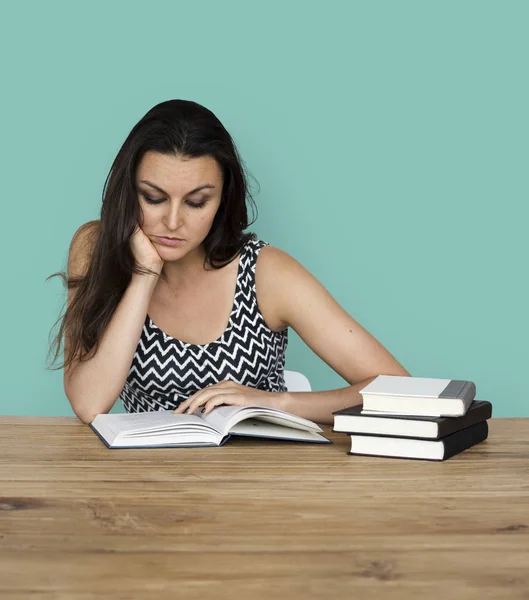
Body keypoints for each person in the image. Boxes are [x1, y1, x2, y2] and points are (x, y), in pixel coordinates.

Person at [47, 99, 410, 426]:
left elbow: (400, 390)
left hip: (256, 481)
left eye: (196, 202)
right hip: (150, 484)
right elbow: (89, 403)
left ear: (222, 199)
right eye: (153, 198)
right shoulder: (95, 248)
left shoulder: (265, 272)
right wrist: (144, 274)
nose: (173, 222)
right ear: (128, 191)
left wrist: (274, 403)